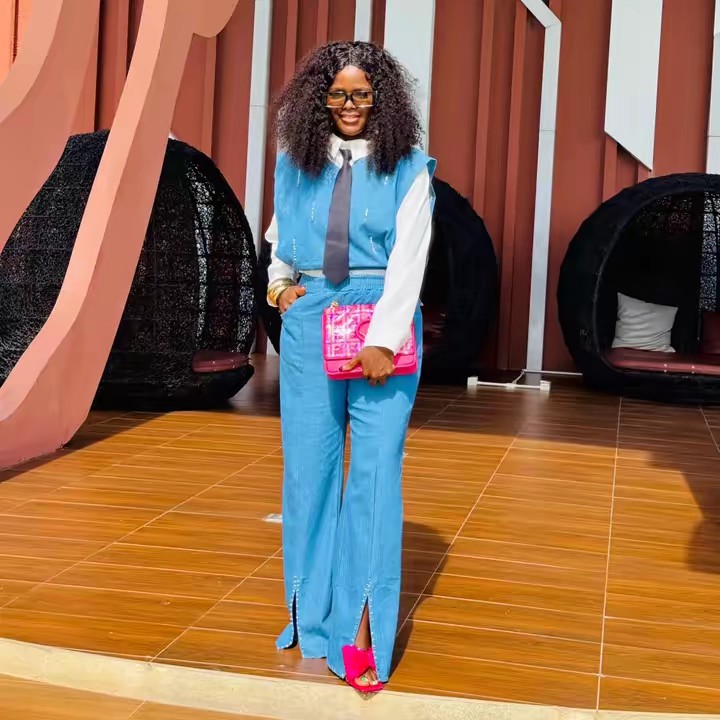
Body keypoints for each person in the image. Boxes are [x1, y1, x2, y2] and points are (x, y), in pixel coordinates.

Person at [265, 40, 435, 693]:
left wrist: (385, 339)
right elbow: (281, 238)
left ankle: (359, 632)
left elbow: (411, 258)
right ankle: (309, 618)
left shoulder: (409, 168)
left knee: (374, 475)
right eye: (338, 93)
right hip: (311, 319)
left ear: (381, 98)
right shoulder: (294, 163)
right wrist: (281, 287)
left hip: (380, 320)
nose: (350, 105)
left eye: (362, 93)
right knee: (308, 472)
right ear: (320, 98)